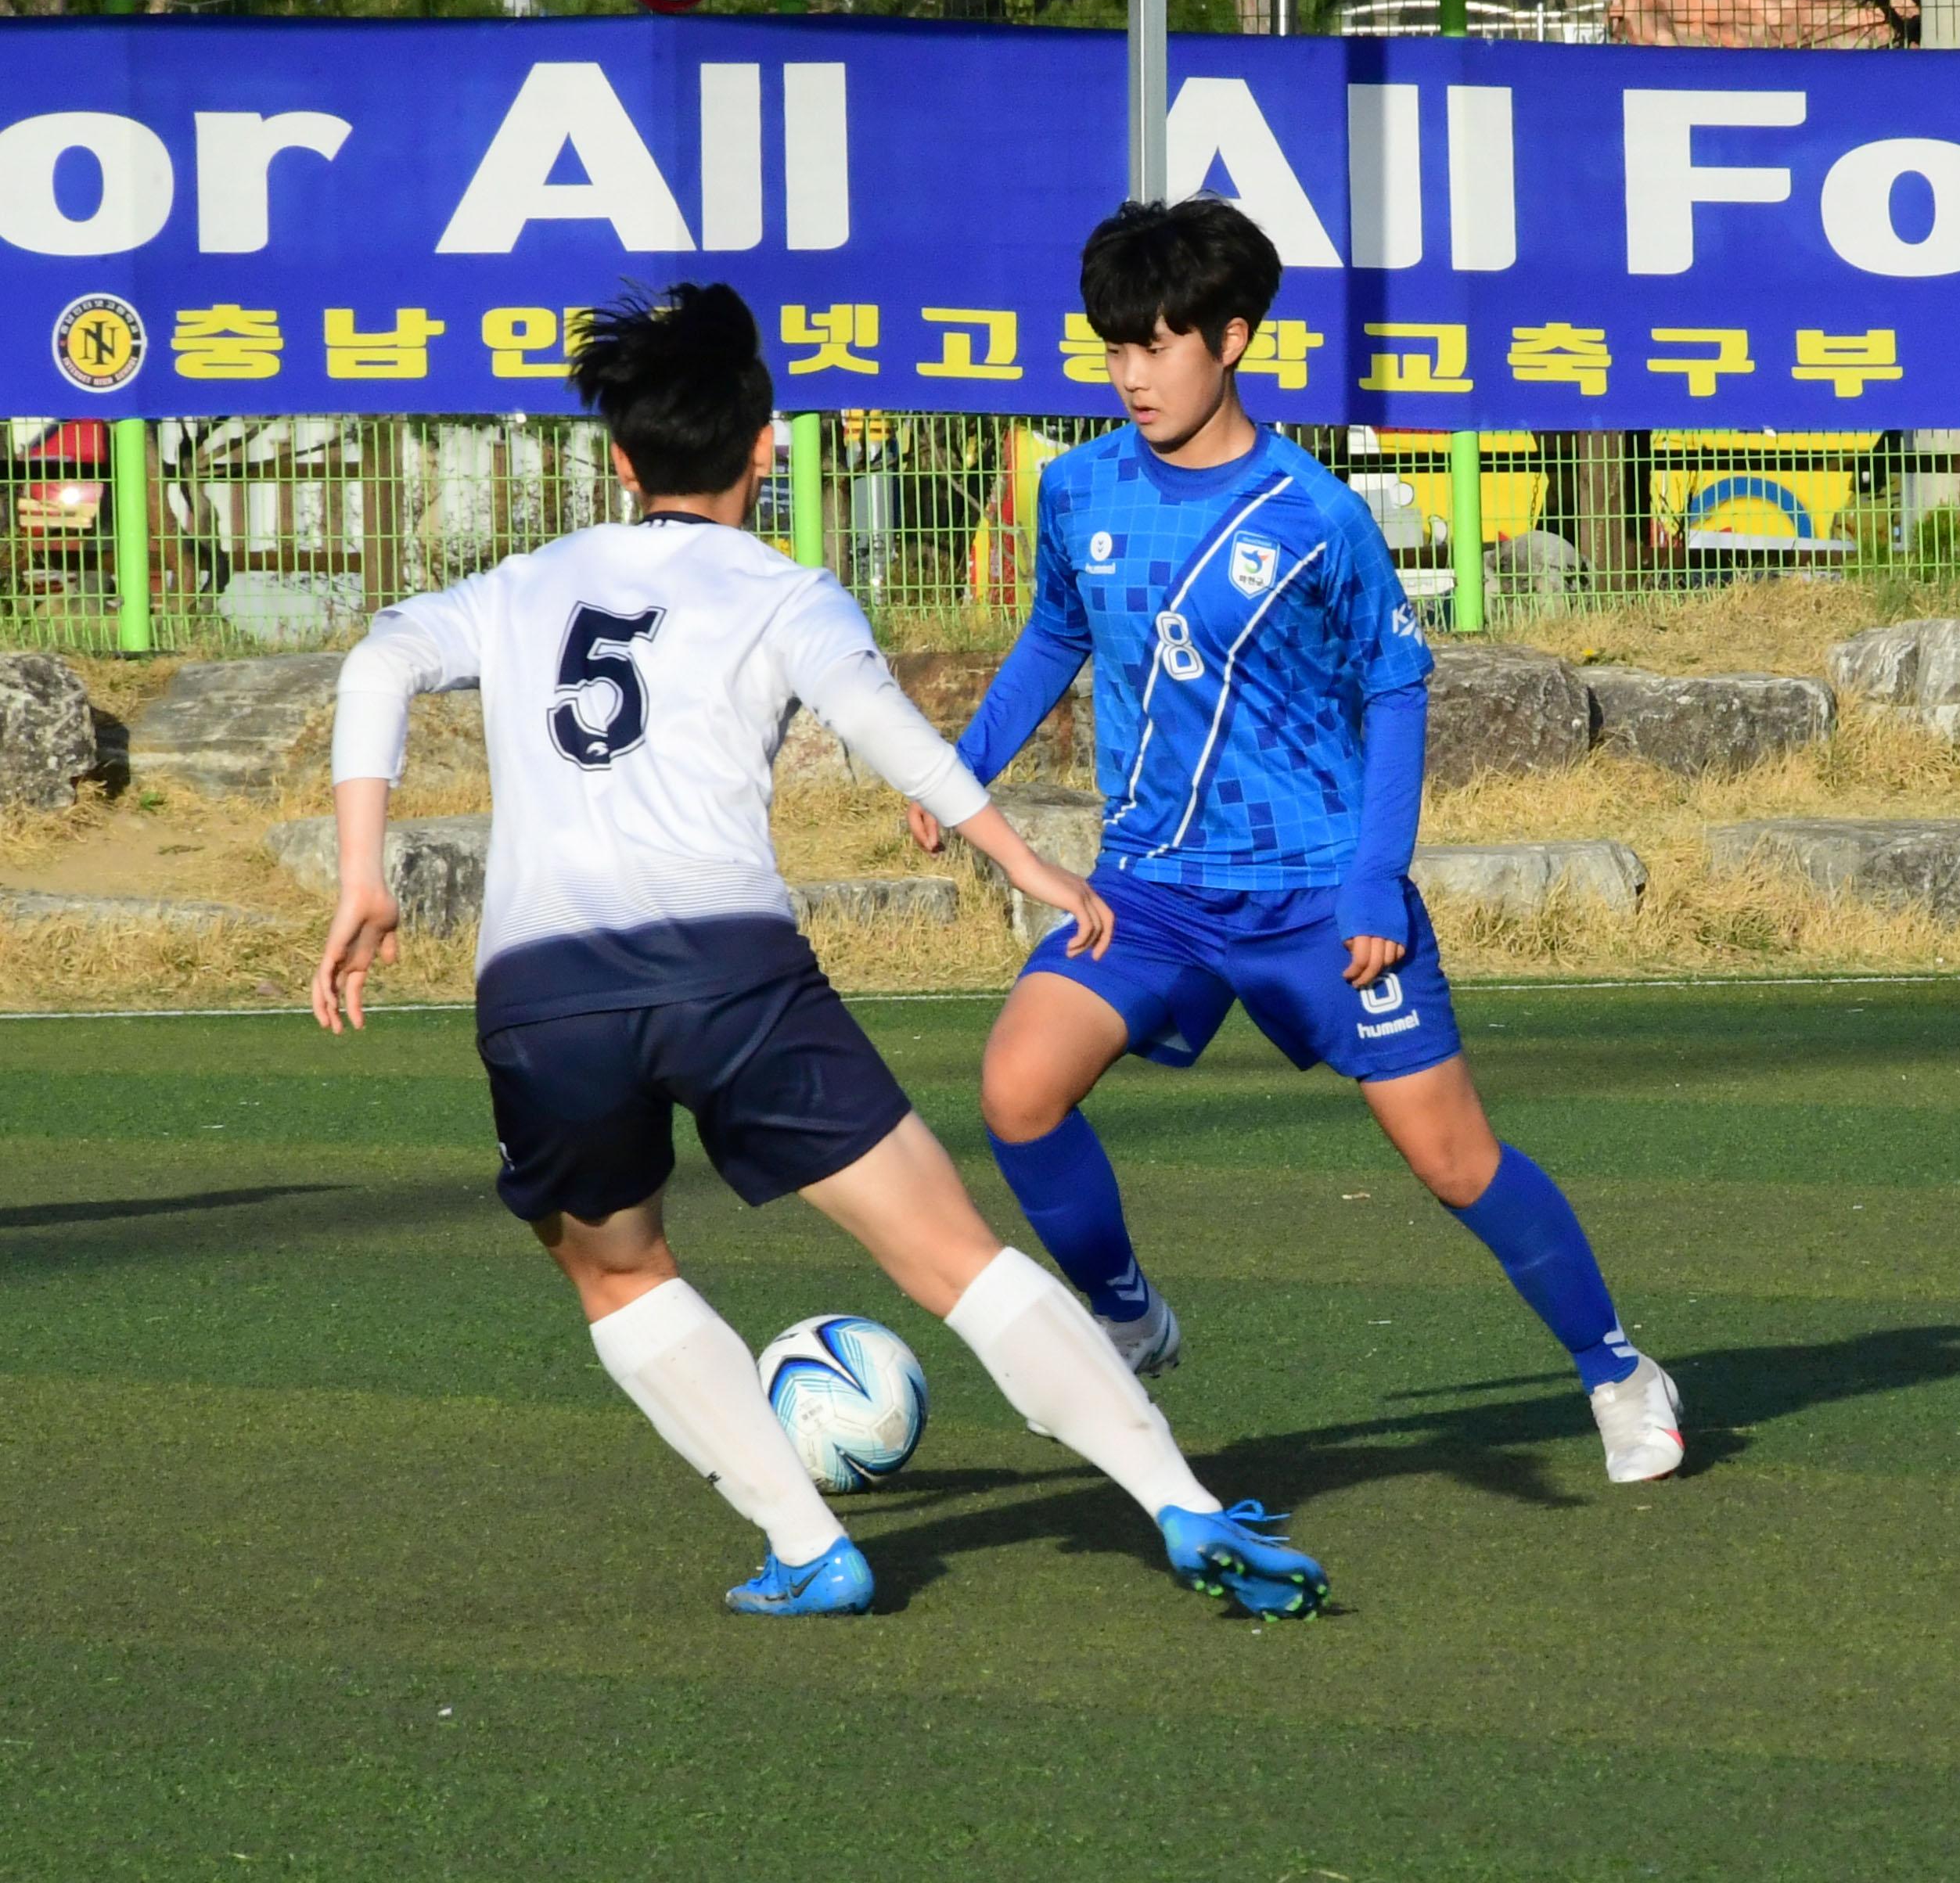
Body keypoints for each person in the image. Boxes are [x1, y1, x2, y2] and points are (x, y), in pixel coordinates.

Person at [307, 282, 1329, 1618]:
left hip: (546, 992)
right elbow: (886, 725)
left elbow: (378, 660)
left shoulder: (523, 585)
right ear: (761, 443)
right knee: (949, 1251)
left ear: (619, 458)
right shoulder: (786, 592)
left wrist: (360, 877)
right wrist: (1025, 864)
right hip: (732, 974)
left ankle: (808, 1544)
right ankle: (1181, 1504)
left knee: (615, 1267)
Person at [912, 197, 1685, 1485]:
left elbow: (1393, 687)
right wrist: (959, 769)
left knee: (1452, 1159)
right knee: (1014, 1088)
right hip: (1149, 893)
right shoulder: (1079, 486)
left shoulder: (1314, 513)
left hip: (1317, 897)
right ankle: (1123, 1310)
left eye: (1156, 344)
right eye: (1113, 347)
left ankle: (1616, 1368)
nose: (1131, 373)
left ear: (1232, 338)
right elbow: (1056, 633)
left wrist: (1375, 875)